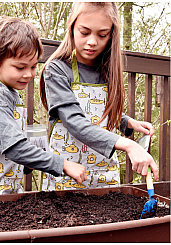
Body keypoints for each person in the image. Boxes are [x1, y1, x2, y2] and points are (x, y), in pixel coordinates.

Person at [0, 16, 86, 197]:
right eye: (20, 67)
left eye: (34, 66)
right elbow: (14, 148)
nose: (28, 74)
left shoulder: (10, 93)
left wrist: (29, 162)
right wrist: (62, 164)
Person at [39, 2, 159, 191]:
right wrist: (128, 145)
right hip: (67, 179)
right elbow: (75, 121)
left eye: (102, 35)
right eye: (85, 32)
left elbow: (99, 111)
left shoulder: (107, 70)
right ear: (71, 26)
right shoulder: (57, 70)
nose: (93, 41)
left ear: (111, 34)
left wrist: (127, 122)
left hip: (105, 176)